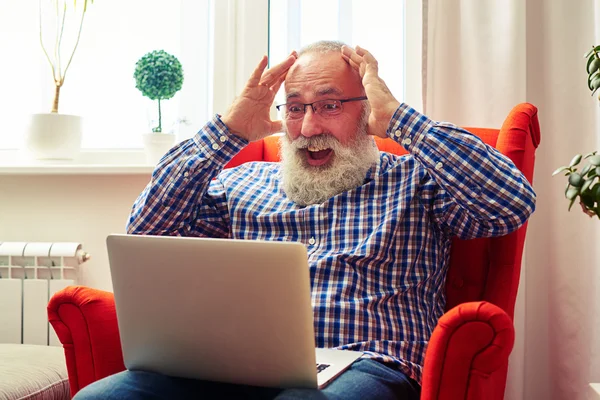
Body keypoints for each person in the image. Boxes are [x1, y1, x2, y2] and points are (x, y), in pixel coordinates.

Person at [75, 41, 536, 399]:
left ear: (366, 111)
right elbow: (146, 232)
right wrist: (228, 131)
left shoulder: (417, 179)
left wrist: (399, 120)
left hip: (366, 368)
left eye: (330, 105)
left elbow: (509, 202)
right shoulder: (243, 182)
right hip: (230, 370)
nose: (310, 127)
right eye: (295, 107)